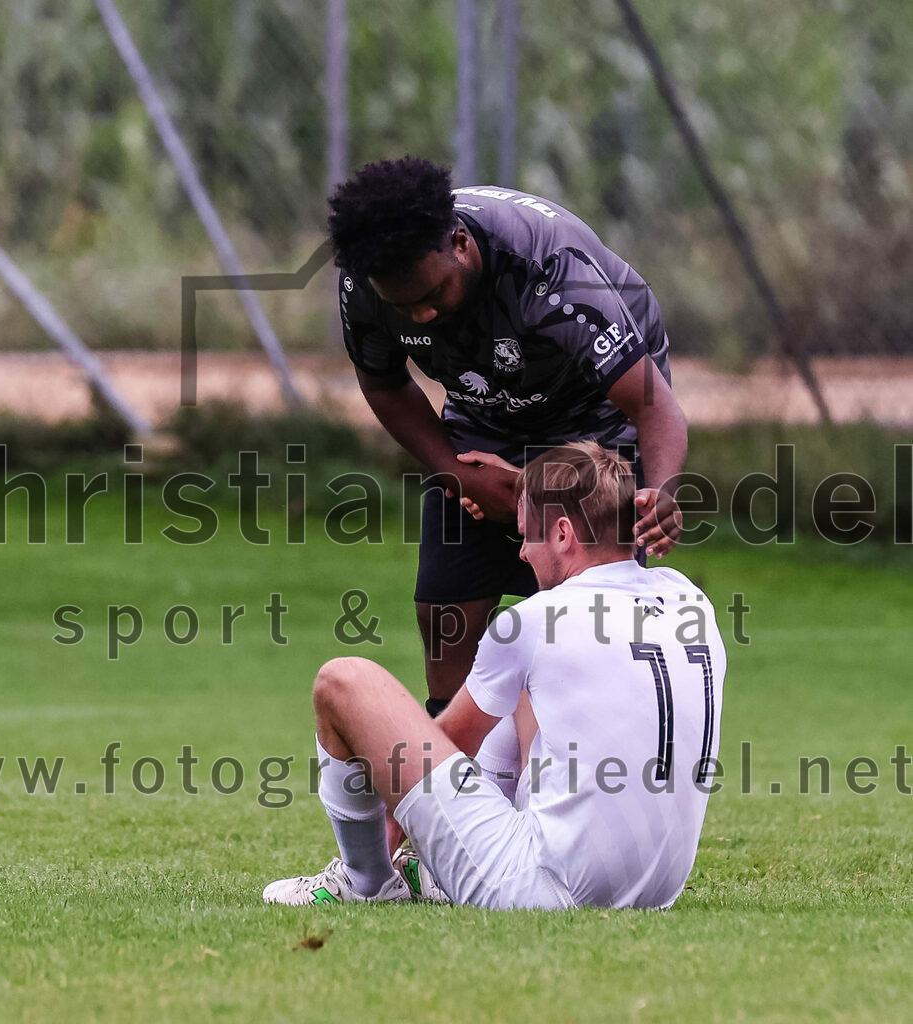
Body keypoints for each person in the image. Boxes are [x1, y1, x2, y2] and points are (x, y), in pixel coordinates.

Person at [263, 443, 725, 910]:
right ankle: (433, 870)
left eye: (528, 536)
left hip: (541, 888)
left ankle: (365, 880)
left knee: (342, 681)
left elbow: (448, 743)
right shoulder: (691, 602)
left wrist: (387, 838)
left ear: (563, 533)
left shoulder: (534, 620)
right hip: (657, 891)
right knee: (527, 682)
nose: (523, 554)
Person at [327, 157, 688, 716]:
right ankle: (453, 782)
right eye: (404, 306)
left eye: (433, 293)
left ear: (461, 243)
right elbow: (383, 381)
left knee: (584, 624)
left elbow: (653, 407)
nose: (421, 316)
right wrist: (455, 469)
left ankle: (578, 771)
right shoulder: (366, 279)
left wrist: (660, 493)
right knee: (444, 610)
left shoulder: (552, 271)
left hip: (594, 426)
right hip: (484, 421)